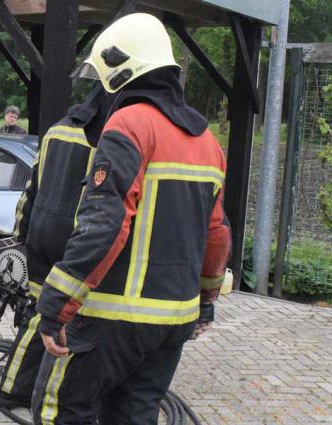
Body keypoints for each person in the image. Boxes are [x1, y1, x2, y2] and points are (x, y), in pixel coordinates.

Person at [31, 13, 231, 424]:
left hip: (111, 318)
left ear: (120, 69)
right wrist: (206, 302)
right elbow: (216, 235)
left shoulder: (129, 124)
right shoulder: (208, 143)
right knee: (135, 415)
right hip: (173, 323)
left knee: (59, 410)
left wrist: (56, 304)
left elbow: (105, 224)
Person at [0, 85, 117, 410]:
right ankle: (14, 390)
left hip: (40, 234)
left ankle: (16, 386)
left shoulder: (57, 129)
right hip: (71, 241)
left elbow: (31, 186)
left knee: (37, 312)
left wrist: (21, 232)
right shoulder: (107, 138)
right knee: (51, 317)